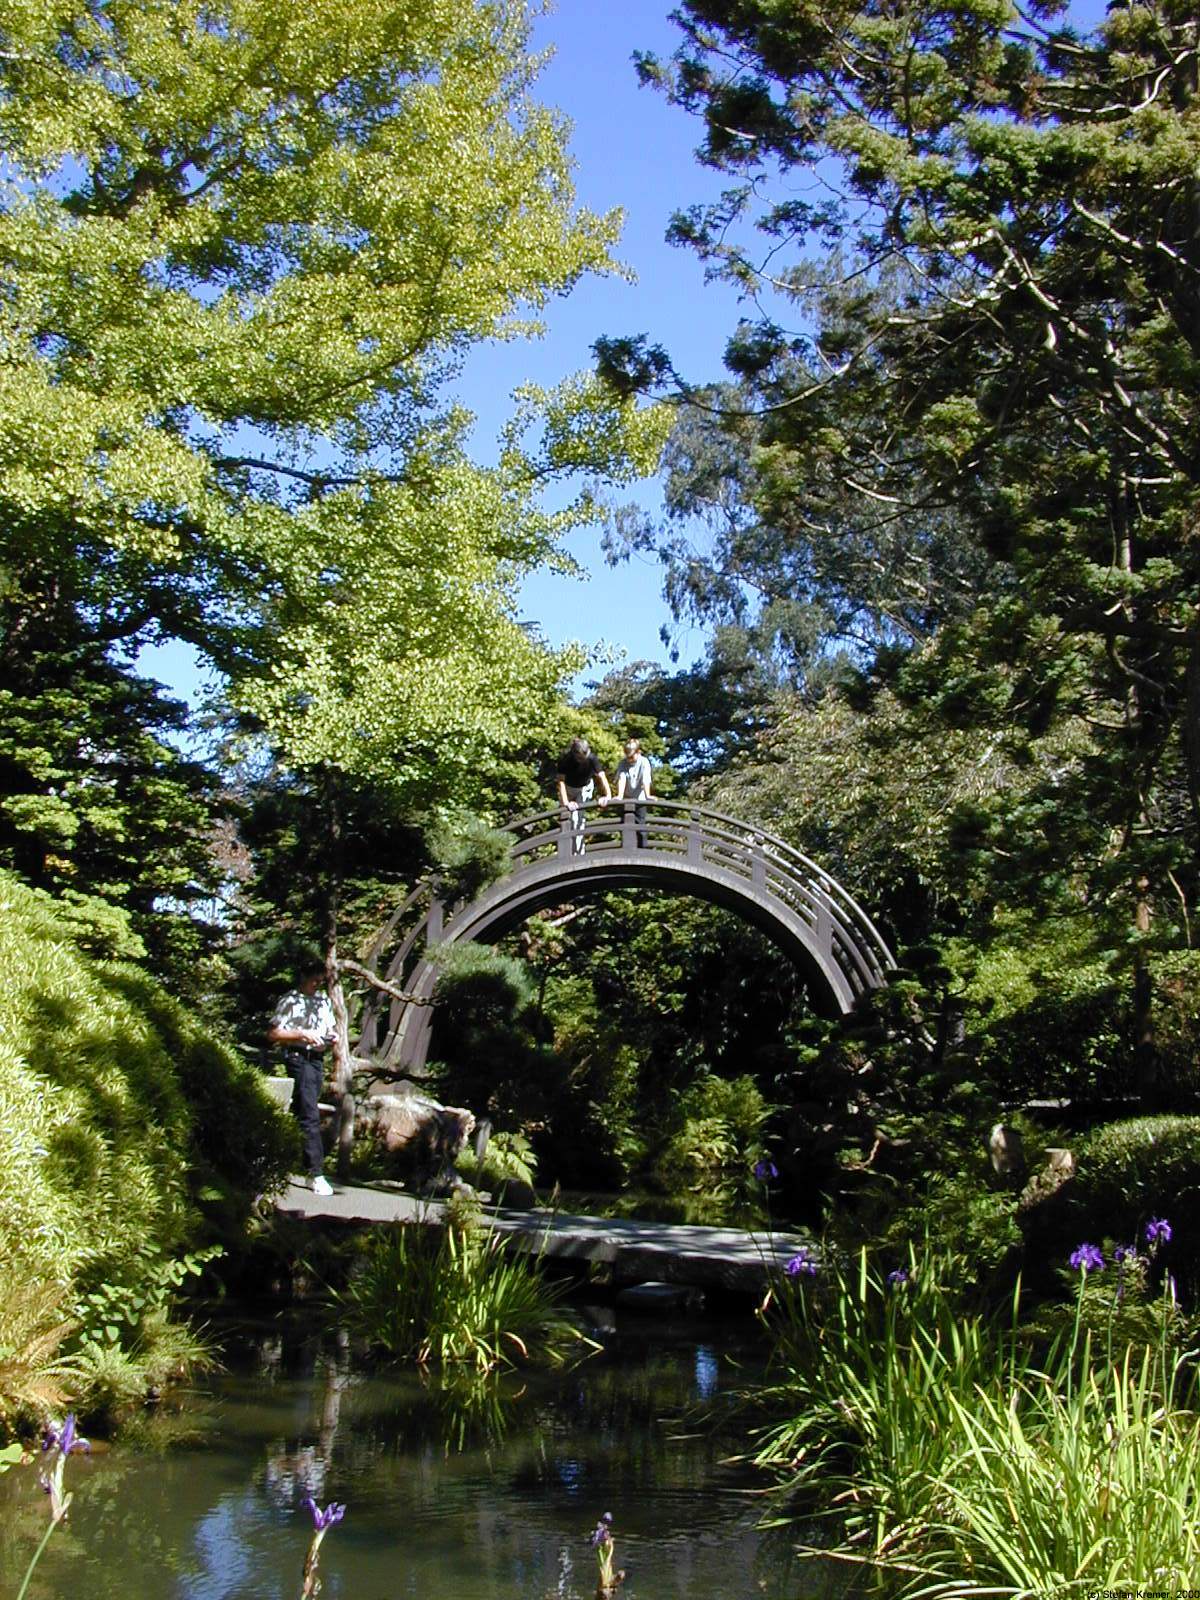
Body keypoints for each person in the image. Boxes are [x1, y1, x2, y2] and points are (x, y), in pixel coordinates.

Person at [268, 965, 336, 1196]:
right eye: (314, 980)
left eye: (320, 981)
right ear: (304, 978)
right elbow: (274, 1033)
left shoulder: (323, 1002)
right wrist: (300, 1034)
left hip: (317, 1059)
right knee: (309, 1114)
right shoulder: (290, 1000)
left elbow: (330, 1028)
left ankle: (280, 1160)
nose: (317, 984)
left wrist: (331, 1038)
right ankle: (315, 1172)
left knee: (300, 1111)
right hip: (299, 1058)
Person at [555, 736, 611, 856]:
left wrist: (608, 795)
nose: (583, 760)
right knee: (565, 818)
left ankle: (579, 854)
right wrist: (566, 802)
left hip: (584, 788)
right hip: (568, 788)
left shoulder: (592, 758)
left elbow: (602, 777)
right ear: (575, 755)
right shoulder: (566, 759)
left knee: (578, 820)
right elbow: (560, 782)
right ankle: (565, 854)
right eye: (580, 758)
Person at [614, 736, 653, 847]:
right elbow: (622, 779)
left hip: (640, 799)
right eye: (628, 757)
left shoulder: (644, 762)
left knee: (641, 829)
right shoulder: (623, 763)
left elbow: (645, 780)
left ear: (638, 752)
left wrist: (648, 795)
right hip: (626, 799)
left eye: (631, 757)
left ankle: (643, 852)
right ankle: (626, 852)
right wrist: (619, 796)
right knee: (625, 827)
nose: (629, 760)